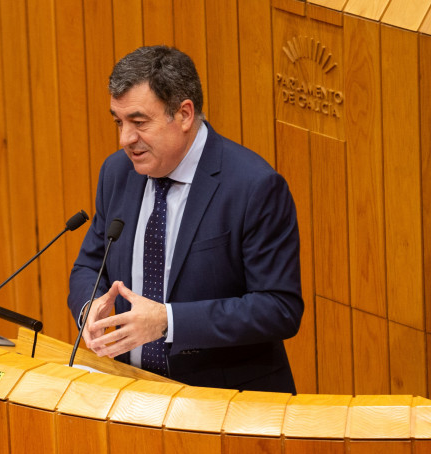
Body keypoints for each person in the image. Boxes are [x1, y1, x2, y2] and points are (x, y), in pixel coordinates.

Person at [67, 45, 303, 393]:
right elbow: (90, 265)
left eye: (138, 122)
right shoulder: (118, 173)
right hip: (130, 394)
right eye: (118, 122)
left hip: (223, 403)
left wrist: (168, 321)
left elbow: (278, 307)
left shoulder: (253, 187)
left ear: (184, 114)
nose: (124, 139)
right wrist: (91, 307)